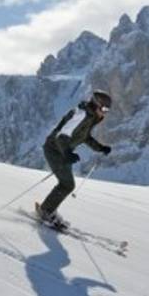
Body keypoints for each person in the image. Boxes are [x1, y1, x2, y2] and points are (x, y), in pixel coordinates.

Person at [36, 90, 113, 227]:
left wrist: (100, 148)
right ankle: (46, 211)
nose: (105, 112)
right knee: (67, 185)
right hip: (54, 150)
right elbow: (62, 136)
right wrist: (66, 153)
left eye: (108, 110)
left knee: (66, 184)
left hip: (62, 152)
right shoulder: (81, 114)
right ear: (97, 104)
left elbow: (85, 137)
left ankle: (48, 209)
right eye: (104, 108)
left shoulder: (90, 118)